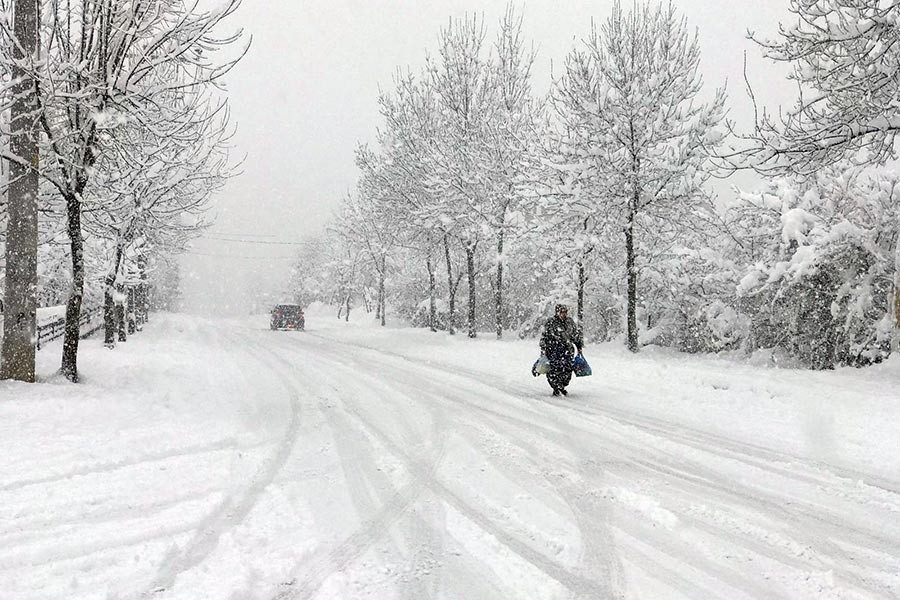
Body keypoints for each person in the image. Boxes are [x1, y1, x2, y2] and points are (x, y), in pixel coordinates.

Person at [539, 303, 583, 396]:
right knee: (554, 370)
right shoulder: (551, 322)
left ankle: (562, 386)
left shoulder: (570, 322)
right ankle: (556, 387)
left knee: (567, 370)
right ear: (557, 312)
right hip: (554, 349)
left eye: (565, 312)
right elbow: (545, 336)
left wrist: (579, 347)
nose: (564, 314)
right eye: (562, 312)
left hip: (567, 350)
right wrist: (543, 348)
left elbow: (575, 335)